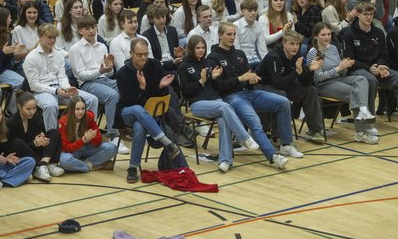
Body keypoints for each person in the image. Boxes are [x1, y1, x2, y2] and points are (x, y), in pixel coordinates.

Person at [207, 22, 297, 166]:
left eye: (234, 34)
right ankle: (273, 156)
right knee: (254, 121)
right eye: (228, 34)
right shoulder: (213, 58)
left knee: (283, 102)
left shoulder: (239, 54)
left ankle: (286, 145)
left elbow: (248, 76)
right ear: (219, 35)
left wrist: (252, 80)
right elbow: (219, 87)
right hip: (232, 97)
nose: (232, 37)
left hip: (250, 92)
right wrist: (240, 79)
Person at [178, 36, 259, 172]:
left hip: (216, 101)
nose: (201, 50)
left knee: (223, 119)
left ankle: (225, 161)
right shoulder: (184, 67)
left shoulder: (208, 62)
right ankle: (244, 137)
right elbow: (186, 93)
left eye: (203, 48)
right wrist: (201, 81)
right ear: (191, 49)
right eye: (198, 48)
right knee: (225, 107)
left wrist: (214, 78)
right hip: (198, 104)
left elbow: (217, 87)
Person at [342, 2, 398, 135]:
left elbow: (384, 54)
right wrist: (369, 68)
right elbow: (350, 60)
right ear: (358, 15)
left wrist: (380, 65)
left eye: (371, 15)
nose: (369, 17)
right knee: (370, 80)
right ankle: (368, 124)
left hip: (377, 68)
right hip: (358, 70)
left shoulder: (378, 32)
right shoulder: (349, 34)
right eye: (365, 14)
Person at [116, 38, 182, 183]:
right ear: (131, 53)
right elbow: (128, 101)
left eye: (146, 54)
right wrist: (142, 88)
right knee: (137, 109)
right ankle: (167, 142)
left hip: (147, 115)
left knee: (139, 127)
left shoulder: (154, 66)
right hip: (126, 112)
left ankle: (133, 167)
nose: (144, 57)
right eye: (139, 54)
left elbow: (157, 97)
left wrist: (161, 86)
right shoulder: (123, 73)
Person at [306, 22, 378, 143]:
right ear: (315, 36)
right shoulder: (313, 53)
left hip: (337, 79)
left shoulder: (333, 48)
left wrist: (344, 66)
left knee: (362, 79)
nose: (327, 37)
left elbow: (340, 73)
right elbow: (318, 78)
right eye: (323, 35)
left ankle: (363, 111)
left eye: (329, 34)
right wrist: (339, 68)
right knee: (355, 92)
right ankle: (361, 132)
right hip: (324, 85)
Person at [23, 23, 98, 132]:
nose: (52, 41)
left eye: (54, 38)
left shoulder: (58, 55)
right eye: (49, 37)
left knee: (92, 99)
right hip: (41, 92)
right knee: (50, 106)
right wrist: (56, 91)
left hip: (60, 89)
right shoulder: (31, 57)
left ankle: (87, 133)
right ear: (40, 37)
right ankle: (53, 139)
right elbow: (34, 85)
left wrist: (67, 88)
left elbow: (62, 77)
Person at [256, 30, 326, 142]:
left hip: (282, 85)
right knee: (280, 95)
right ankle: (278, 136)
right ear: (284, 43)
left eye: (297, 44)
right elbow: (277, 83)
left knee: (310, 90)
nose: (295, 47)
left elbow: (305, 82)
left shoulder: (296, 55)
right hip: (262, 86)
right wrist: (297, 72)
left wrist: (311, 70)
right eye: (292, 44)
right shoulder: (273, 57)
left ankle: (315, 130)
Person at [69, 15, 122, 143]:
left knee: (127, 87)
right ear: (80, 31)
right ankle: (113, 135)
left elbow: (108, 74)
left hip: (104, 80)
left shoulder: (102, 47)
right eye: (87, 28)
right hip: (88, 84)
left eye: (93, 27)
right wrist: (100, 71)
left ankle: (127, 127)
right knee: (112, 96)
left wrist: (109, 69)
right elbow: (81, 75)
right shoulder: (75, 49)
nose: (92, 31)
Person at [6, 91, 65, 181]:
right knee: (17, 142)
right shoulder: (11, 122)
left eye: (34, 108)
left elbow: (39, 140)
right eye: (28, 109)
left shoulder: (37, 119)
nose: (32, 111)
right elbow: (14, 147)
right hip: (20, 155)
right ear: (19, 107)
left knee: (54, 132)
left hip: (34, 152)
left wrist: (41, 140)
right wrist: (34, 143)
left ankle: (45, 164)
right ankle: (40, 166)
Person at [59, 95, 116, 173]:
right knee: (65, 161)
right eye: (77, 109)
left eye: (83, 109)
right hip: (72, 151)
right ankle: (95, 166)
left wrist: (91, 138)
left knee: (112, 148)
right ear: (71, 109)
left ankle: (81, 164)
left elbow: (98, 141)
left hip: (87, 148)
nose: (81, 112)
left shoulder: (89, 117)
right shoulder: (63, 122)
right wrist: (83, 140)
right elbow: (66, 147)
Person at [142, 3, 184, 74]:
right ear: (152, 19)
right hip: (159, 68)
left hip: (174, 64)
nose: (161, 20)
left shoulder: (172, 30)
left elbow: (176, 52)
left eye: (163, 17)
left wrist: (178, 55)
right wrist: (171, 62)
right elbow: (153, 62)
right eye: (158, 18)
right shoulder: (146, 36)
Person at [234, 0, 267, 68]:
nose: (253, 13)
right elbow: (236, 48)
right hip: (241, 60)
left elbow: (262, 47)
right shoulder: (236, 26)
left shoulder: (259, 25)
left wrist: (267, 62)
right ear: (242, 12)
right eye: (250, 11)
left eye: (255, 10)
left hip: (255, 58)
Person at [11, 0, 39, 74]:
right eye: (29, 12)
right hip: (25, 64)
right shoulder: (18, 30)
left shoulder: (41, 27)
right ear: (24, 13)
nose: (32, 15)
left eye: (35, 12)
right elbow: (16, 56)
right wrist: (32, 49)